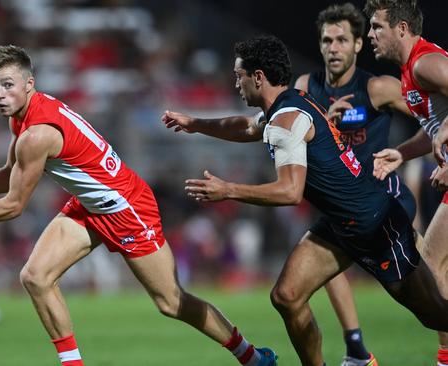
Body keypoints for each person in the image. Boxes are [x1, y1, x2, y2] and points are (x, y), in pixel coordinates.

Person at [0, 45, 277, 366]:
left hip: (126, 207)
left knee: (171, 302)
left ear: (29, 84)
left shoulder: (36, 134)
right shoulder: (23, 119)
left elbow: (13, 205)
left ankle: (251, 357)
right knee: (35, 277)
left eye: (8, 84)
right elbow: (12, 172)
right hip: (91, 205)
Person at [162, 35, 448, 366]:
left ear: (258, 77)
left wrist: (228, 190)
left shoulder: (286, 120)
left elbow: (289, 192)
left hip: (376, 226)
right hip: (342, 223)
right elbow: (245, 127)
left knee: (436, 316)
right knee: (287, 296)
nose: (236, 83)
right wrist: (194, 124)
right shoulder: (290, 102)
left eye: (239, 75)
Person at [295, 3, 432, 365]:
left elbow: (431, 115)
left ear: (358, 45)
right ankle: (356, 349)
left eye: (342, 39)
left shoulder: (378, 87)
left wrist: (411, 151)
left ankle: (444, 356)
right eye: (327, 40)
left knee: (430, 292)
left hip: (384, 202)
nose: (333, 47)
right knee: (290, 291)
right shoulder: (306, 88)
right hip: (341, 208)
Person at [363, 1, 448, 365]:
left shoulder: (424, 63)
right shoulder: (409, 74)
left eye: (376, 27)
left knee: (432, 262)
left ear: (400, 28)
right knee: (432, 262)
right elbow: (431, 128)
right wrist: (401, 153)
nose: (370, 35)